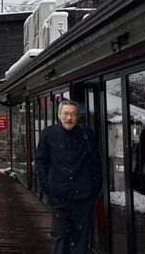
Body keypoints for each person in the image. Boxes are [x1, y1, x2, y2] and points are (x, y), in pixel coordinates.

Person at [36, 99, 103, 254]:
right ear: (59, 115)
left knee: (81, 237)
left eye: (73, 114)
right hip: (59, 195)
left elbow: (95, 161)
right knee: (60, 236)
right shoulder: (48, 134)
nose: (69, 118)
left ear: (78, 116)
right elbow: (41, 161)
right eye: (65, 113)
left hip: (84, 196)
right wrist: (48, 186)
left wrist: (95, 187)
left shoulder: (86, 133)